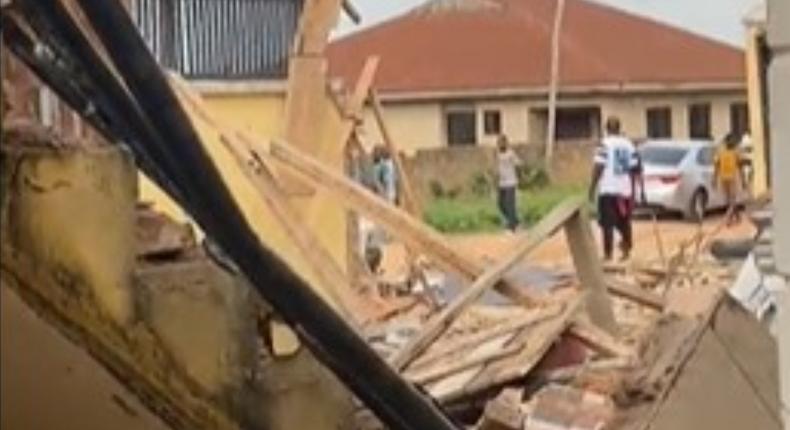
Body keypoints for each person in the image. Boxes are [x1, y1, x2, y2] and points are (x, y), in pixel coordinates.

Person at [589, 117, 640, 261]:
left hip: (608, 189)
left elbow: (599, 166)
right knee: (624, 222)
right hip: (624, 190)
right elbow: (635, 167)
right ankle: (626, 250)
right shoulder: (628, 145)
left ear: (606, 128)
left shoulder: (604, 144)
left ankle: (608, 254)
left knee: (607, 224)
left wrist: (592, 188)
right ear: (619, 128)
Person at [713, 132, 745, 226]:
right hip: (729, 179)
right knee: (732, 200)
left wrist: (714, 179)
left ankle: (734, 217)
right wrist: (743, 180)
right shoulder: (732, 153)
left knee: (730, 200)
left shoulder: (722, 153)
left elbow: (717, 167)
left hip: (726, 178)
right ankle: (729, 218)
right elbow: (740, 167)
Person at [495, 135, 522, 232]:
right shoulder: (498, 154)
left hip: (511, 182)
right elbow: (498, 168)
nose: (500, 145)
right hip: (502, 183)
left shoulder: (511, 154)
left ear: (506, 143)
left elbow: (518, 164)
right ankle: (515, 221)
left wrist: (519, 175)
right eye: (499, 143)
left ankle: (512, 226)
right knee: (501, 204)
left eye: (502, 143)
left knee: (510, 205)